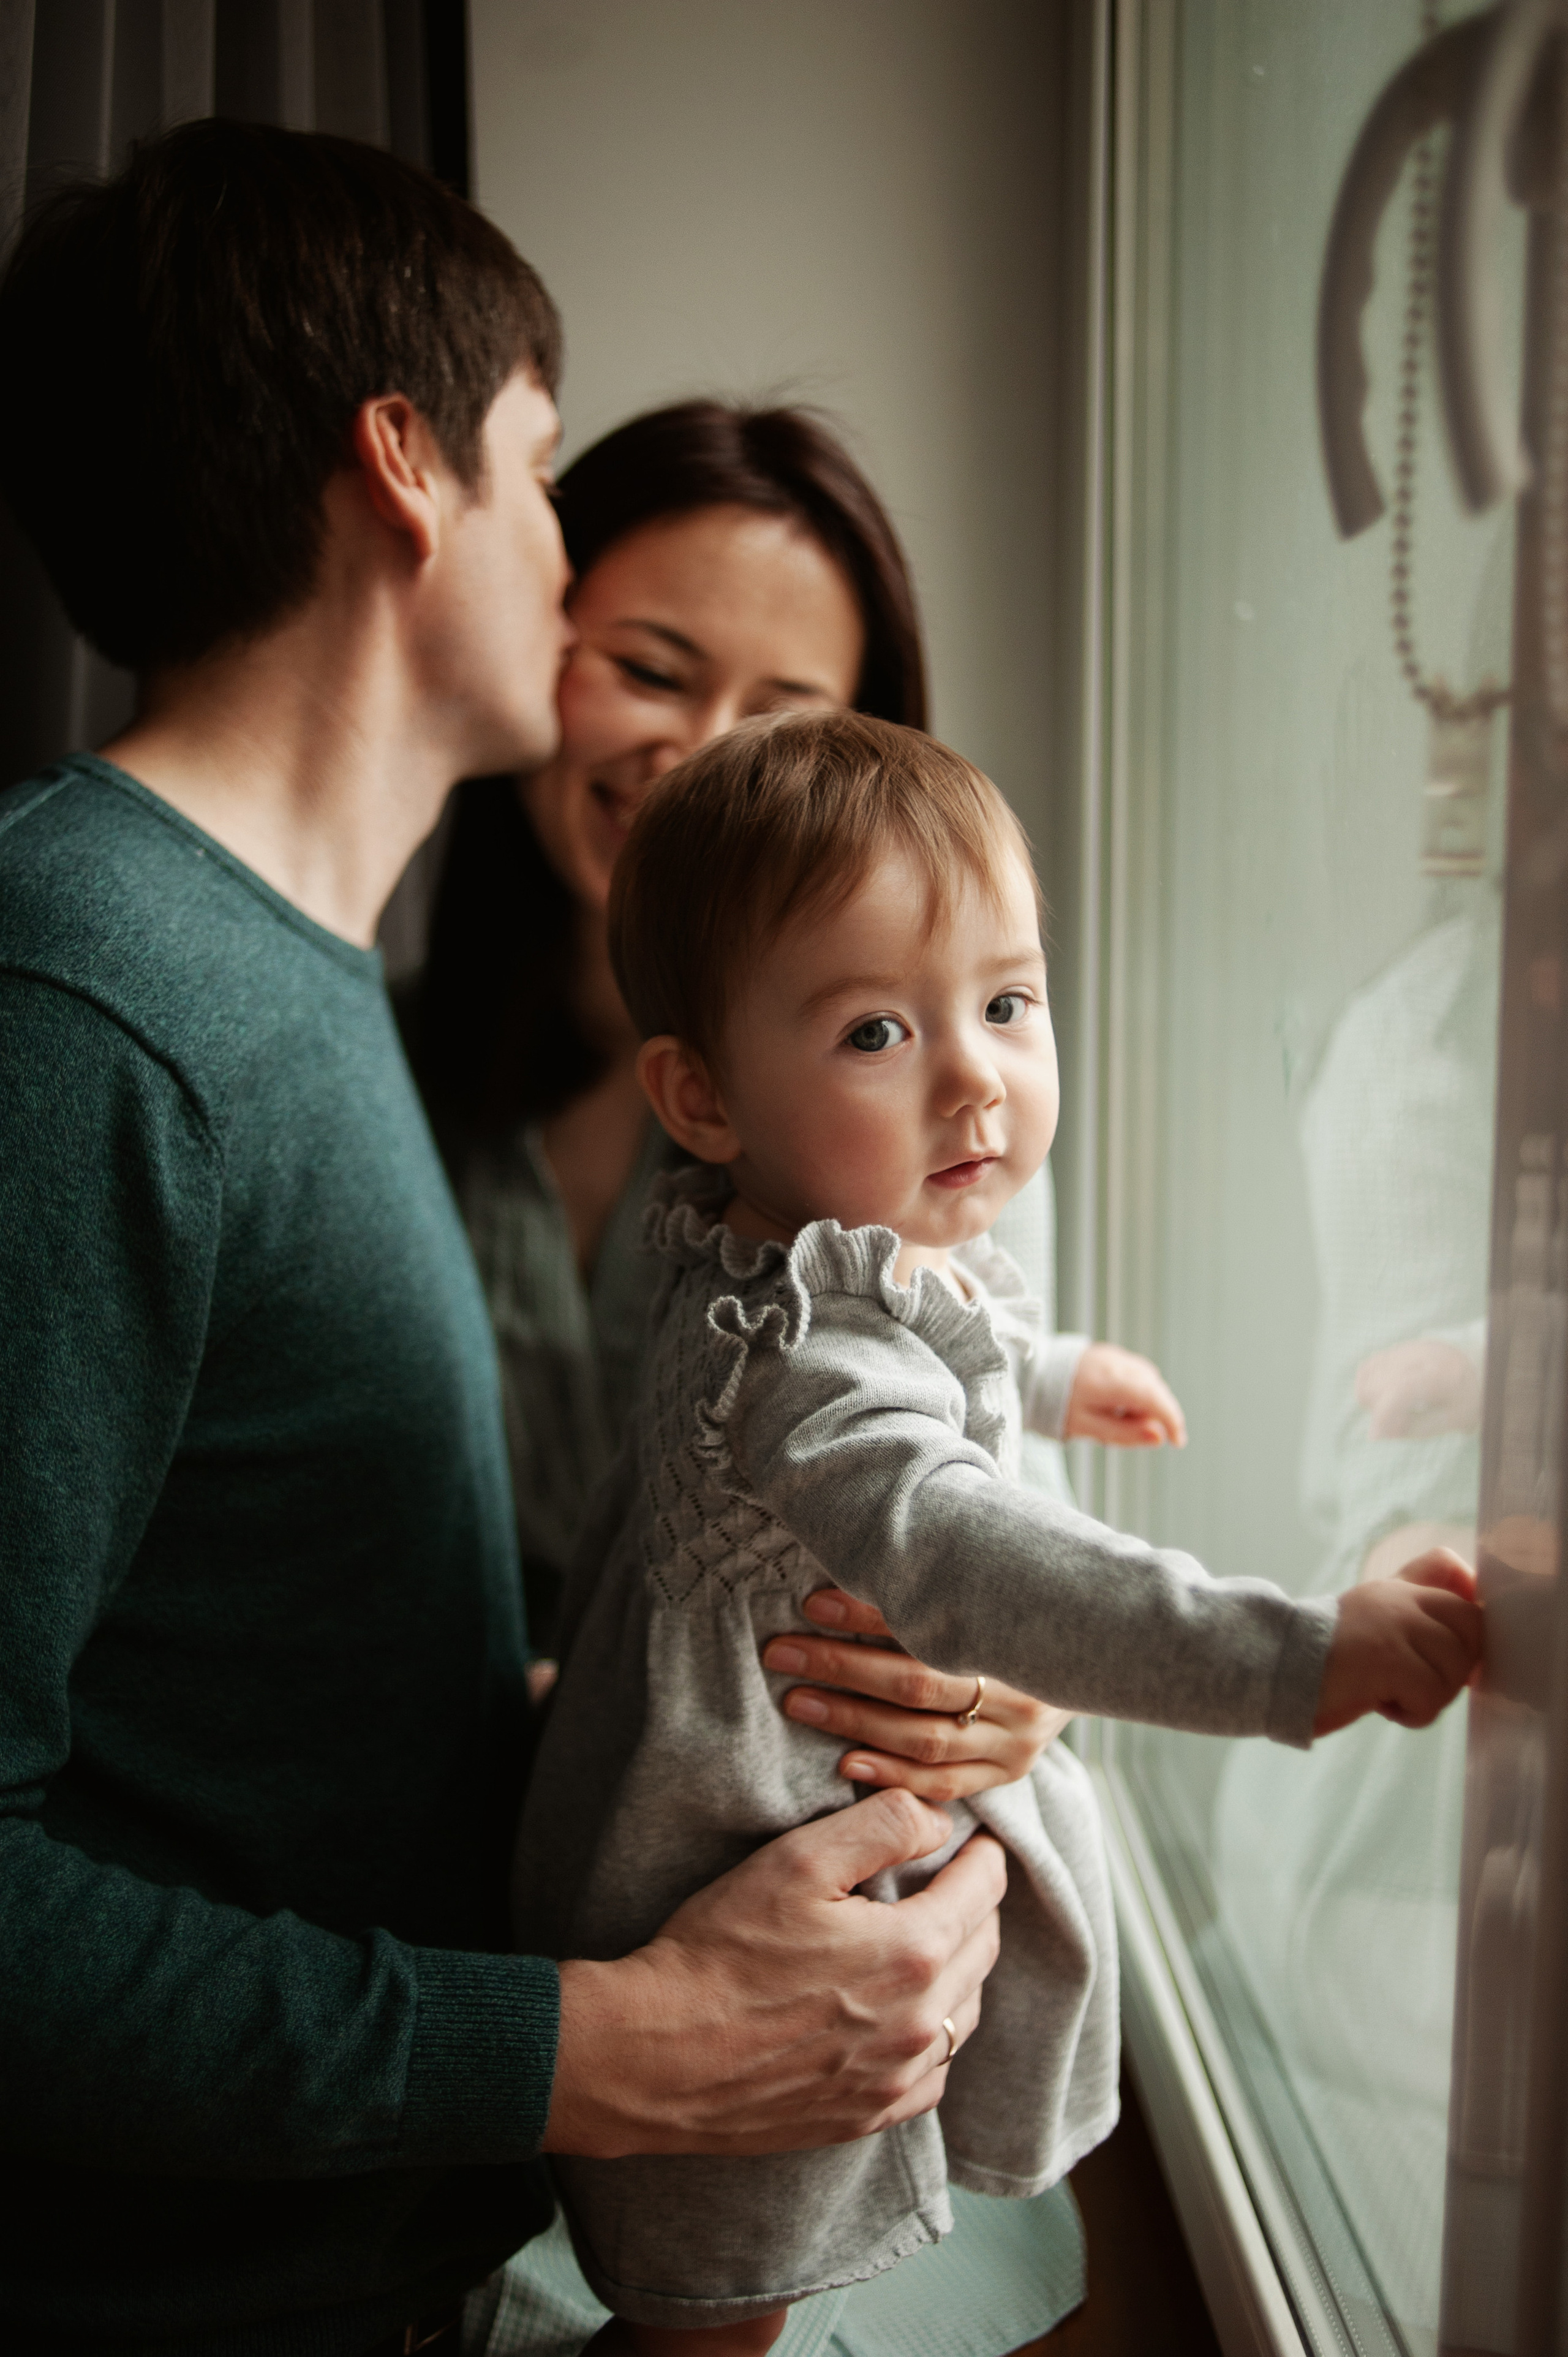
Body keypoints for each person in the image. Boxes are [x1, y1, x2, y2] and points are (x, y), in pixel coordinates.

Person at [0, 124, 1009, 2357]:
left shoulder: (266, 976)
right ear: (407, 469)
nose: (557, 568)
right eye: (543, 472)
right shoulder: (87, 1006)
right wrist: (619, 2047)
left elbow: (255, 1722)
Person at [511, 709, 1486, 2355]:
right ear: (702, 1094)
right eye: (877, 1031)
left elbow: (908, 1326)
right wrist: (1297, 1656)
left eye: (1009, 1004)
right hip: (746, 1902)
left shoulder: (767, 1248)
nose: (975, 1076)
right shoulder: (809, 1371)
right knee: (717, 2309)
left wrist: (1045, 1371)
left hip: (705, 1838)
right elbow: (973, 1552)